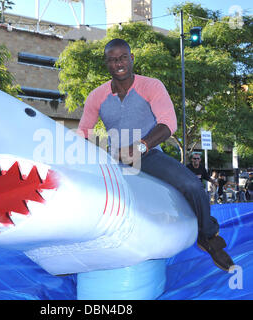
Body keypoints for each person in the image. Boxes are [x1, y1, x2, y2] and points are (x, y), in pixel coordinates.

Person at [78, 38, 234, 272]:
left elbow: (168, 123)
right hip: (114, 160)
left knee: (192, 185)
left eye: (123, 57)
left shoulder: (151, 86)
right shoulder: (96, 96)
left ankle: (207, 236)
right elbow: (82, 134)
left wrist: (140, 148)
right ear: (107, 64)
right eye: (112, 59)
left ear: (132, 59)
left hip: (148, 154)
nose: (118, 63)